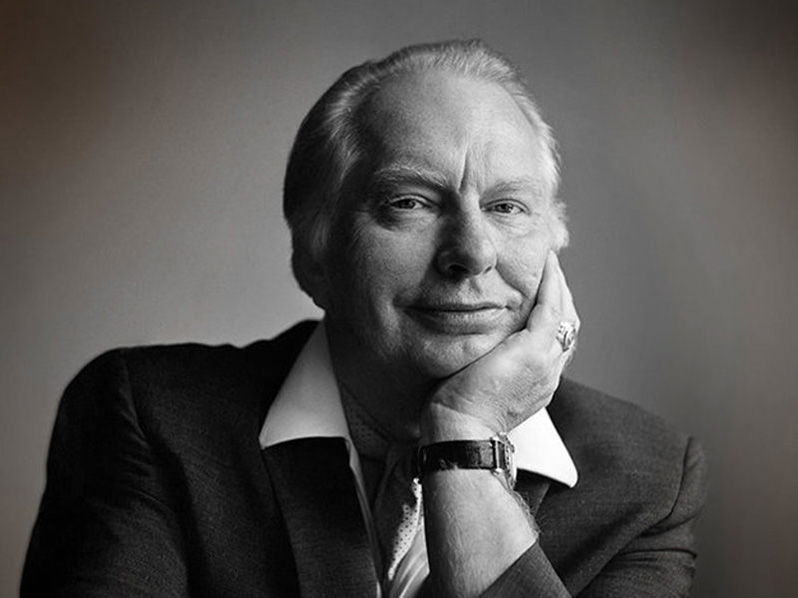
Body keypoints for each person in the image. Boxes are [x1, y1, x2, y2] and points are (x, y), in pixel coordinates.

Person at [21, 40, 707, 597]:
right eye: (410, 202)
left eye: (507, 207)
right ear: (316, 256)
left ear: (553, 243)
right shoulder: (155, 419)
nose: (472, 252)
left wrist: (464, 438)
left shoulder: (647, 480)